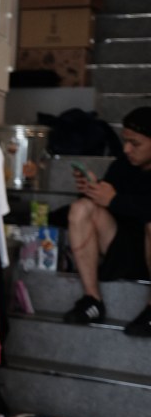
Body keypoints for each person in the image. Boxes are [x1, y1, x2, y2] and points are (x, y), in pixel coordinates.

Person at [63, 106, 151, 337]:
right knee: (81, 208)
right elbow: (108, 202)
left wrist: (114, 200)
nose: (127, 149)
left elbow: (121, 202)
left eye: (135, 143)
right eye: (125, 141)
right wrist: (92, 190)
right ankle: (92, 300)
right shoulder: (123, 165)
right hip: (122, 251)